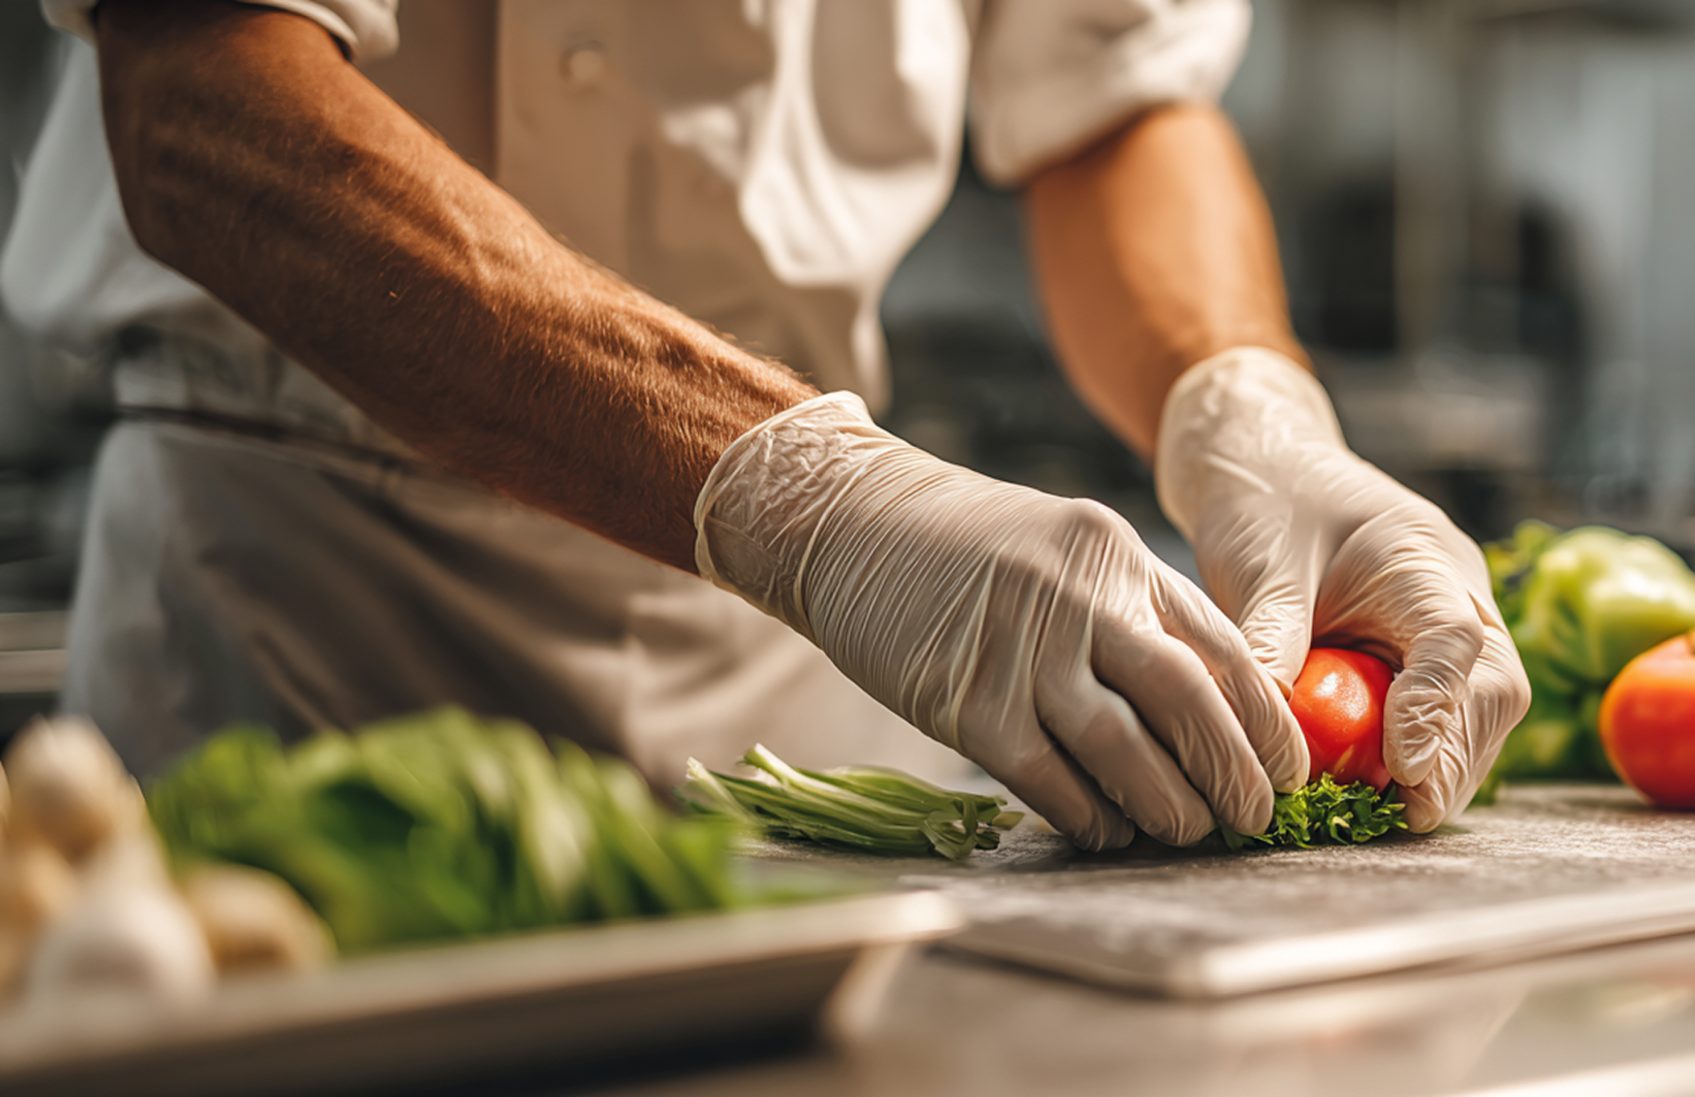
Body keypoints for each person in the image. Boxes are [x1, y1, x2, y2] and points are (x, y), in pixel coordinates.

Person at [0, 0, 1530, 850]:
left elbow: (1111, 100)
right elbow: (203, 101)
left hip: (798, 660)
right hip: (307, 622)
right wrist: (805, 491)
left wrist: (1244, 403)